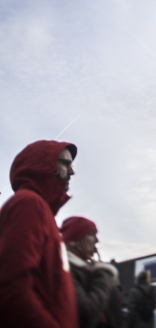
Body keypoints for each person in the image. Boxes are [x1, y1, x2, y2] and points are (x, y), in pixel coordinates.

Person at [0, 140, 78, 328]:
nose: (72, 172)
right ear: (44, 165)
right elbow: (10, 288)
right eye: (65, 163)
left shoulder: (44, 214)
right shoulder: (28, 204)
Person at [61, 216, 123, 328]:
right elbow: (87, 311)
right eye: (91, 234)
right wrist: (104, 275)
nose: (97, 240)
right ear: (76, 240)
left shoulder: (89, 270)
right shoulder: (67, 270)